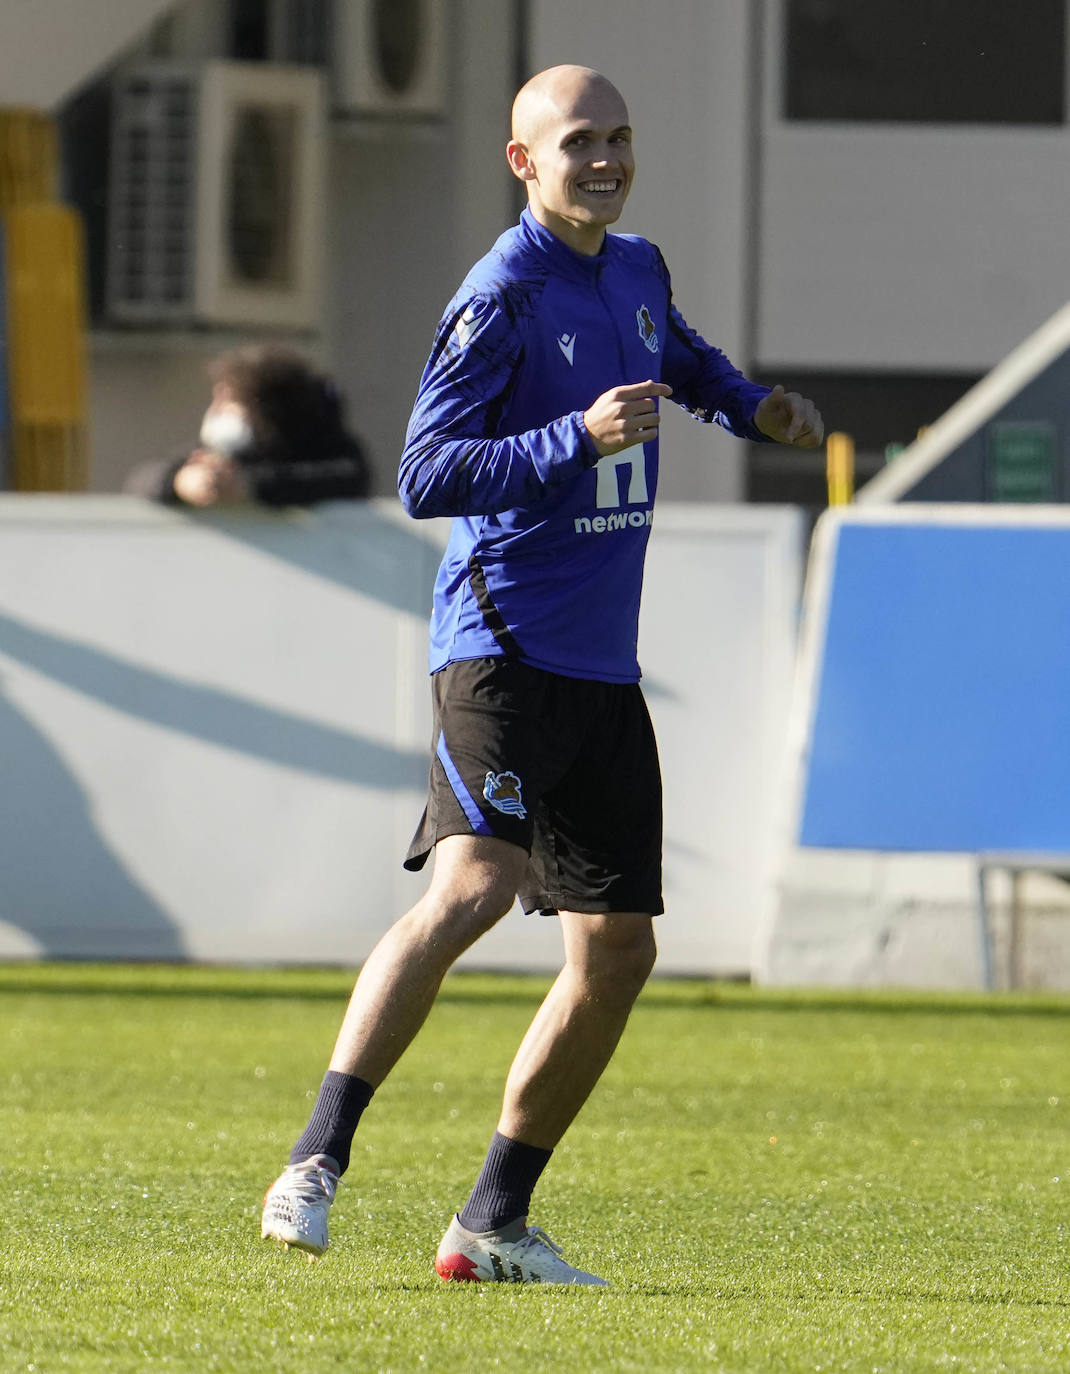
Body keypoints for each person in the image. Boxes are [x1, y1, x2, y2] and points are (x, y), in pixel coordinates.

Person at [260, 64, 822, 1285]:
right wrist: (573, 436)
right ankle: (315, 1159)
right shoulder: (500, 296)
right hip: (500, 646)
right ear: (523, 161)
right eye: (579, 143)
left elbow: (676, 355)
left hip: (598, 670)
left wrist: (749, 405)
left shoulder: (635, 266)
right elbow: (424, 474)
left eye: (619, 137)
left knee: (616, 950)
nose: (606, 160)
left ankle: (491, 1223)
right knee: (469, 889)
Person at [122, 343, 371, 507]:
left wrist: (249, 486)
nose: (215, 411)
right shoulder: (217, 454)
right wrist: (180, 482)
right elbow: (141, 480)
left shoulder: (329, 450)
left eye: (229, 401)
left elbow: (348, 477)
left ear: (269, 409)